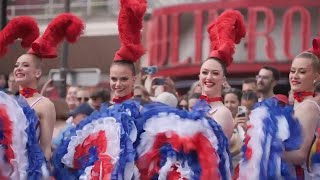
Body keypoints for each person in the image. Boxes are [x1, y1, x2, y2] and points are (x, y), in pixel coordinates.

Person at [14, 13, 84, 161]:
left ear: (37, 72)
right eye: (17, 65)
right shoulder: (9, 100)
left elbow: (46, 149)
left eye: (25, 65)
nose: (19, 68)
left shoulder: (45, 105)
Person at [198, 10, 246, 140]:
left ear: (223, 79)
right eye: (205, 72)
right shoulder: (198, 108)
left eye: (215, 73)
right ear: (199, 77)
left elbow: (214, 155)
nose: (208, 78)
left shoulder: (223, 113)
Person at [282, 38, 320, 178]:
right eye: (292, 71)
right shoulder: (298, 104)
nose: (294, 76)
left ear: (316, 77)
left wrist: (266, 151)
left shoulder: (309, 107)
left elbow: (300, 156)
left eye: (302, 72)